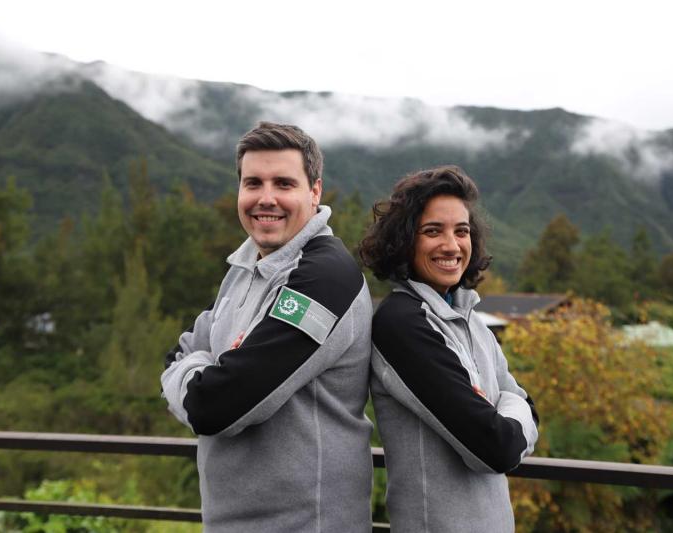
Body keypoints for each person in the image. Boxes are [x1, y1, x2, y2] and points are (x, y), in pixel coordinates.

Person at [160, 122, 374, 533]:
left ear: (315, 192)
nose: (266, 198)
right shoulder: (243, 269)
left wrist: (200, 370)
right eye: (253, 183)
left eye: (284, 183)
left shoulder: (326, 278)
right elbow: (179, 353)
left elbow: (217, 406)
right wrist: (198, 370)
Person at [359, 165, 539, 532]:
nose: (451, 245)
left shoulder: (470, 316)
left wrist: (510, 409)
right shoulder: (401, 323)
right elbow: (496, 447)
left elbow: (525, 403)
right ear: (405, 240)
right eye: (432, 231)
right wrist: (509, 410)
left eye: (462, 231)